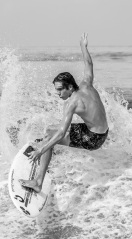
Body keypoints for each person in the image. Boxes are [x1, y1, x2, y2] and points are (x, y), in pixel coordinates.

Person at [19, 33, 109, 193]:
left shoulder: (71, 104)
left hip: (93, 139)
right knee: (49, 130)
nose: (58, 94)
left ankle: (38, 182)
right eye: (56, 90)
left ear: (69, 87)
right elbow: (88, 63)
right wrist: (83, 46)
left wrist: (41, 150)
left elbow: (61, 133)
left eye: (60, 90)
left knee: (49, 137)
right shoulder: (86, 84)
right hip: (102, 133)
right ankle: (50, 154)